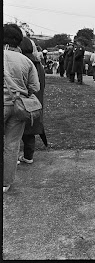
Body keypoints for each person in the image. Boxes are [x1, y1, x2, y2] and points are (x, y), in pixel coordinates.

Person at [3, 23, 40, 193]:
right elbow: (35, 87)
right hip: (19, 107)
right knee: (12, 145)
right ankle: (6, 182)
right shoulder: (26, 61)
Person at [18, 34, 47, 165]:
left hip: (23, 100)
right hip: (36, 101)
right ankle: (28, 156)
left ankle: (14, 158)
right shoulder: (38, 63)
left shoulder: (22, 62)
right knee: (30, 131)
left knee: (15, 130)